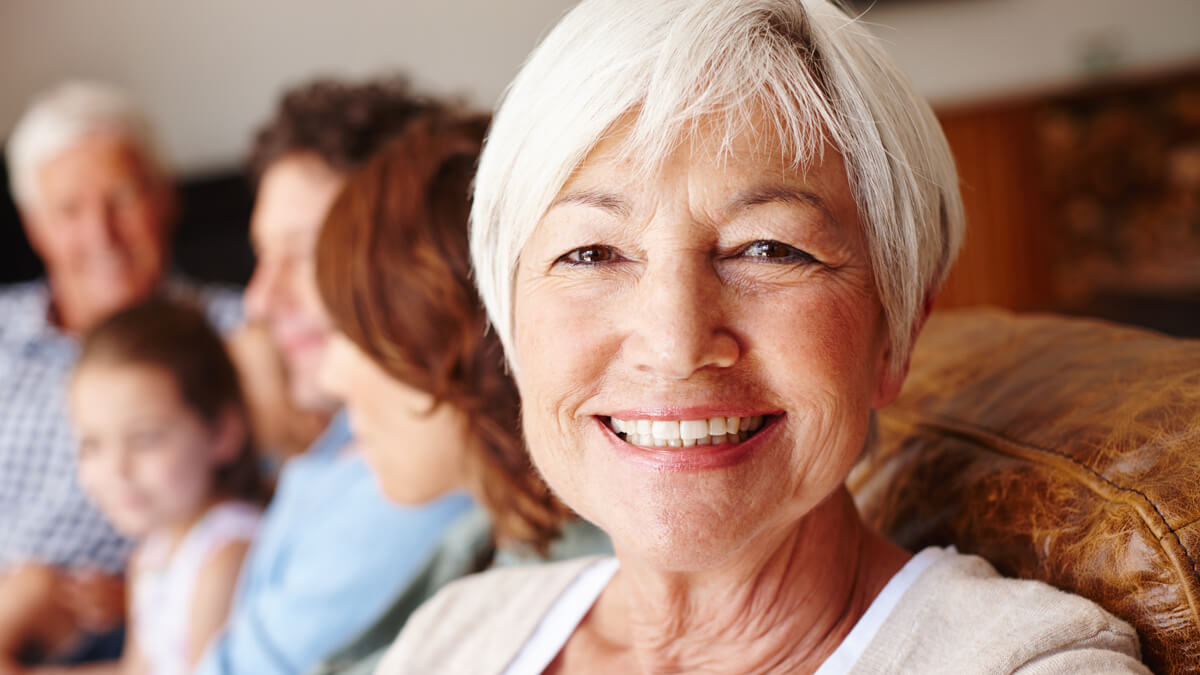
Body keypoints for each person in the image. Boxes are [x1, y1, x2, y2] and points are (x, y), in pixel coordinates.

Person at [380, 1, 1150, 673]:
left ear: (897, 332)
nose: (676, 343)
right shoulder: (457, 633)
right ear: (513, 324)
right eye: (592, 252)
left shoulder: (1026, 663)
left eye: (768, 249)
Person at [308, 115, 611, 675]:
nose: (328, 377)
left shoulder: (581, 604)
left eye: (353, 334)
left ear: (458, 339)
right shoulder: (484, 541)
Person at [194, 78, 473, 675]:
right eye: (262, 256)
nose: (258, 300)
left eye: (305, 254)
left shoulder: (411, 476)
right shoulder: (335, 435)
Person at [0, 81, 242, 667]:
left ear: (165, 198)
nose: (100, 234)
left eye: (122, 197)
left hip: (127, 621)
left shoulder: (232, 332)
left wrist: (133, 597)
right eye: (69, 211)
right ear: (34, 227)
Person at [53, 297, 263, 675]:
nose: (116, 469)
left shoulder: (226, 554)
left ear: (222, 432)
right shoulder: (153, 552)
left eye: (145, 439)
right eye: (92, 444)